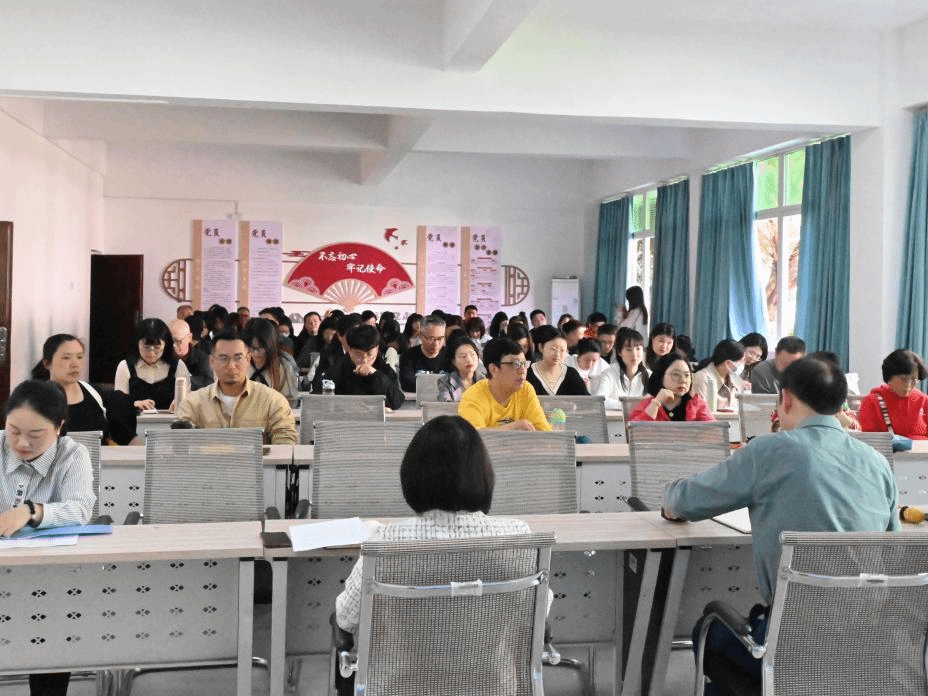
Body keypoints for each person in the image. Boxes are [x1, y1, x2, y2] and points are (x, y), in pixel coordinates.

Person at [662, 357, 898, 696]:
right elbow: (892, 549)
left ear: (785, 399)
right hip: (867, 644)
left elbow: (684, 501)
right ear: (840, 406)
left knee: (708, 631)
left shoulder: (771, 450)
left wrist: (669, 501)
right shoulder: (877, 463)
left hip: (792, 640)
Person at [334, 414, 533, 632]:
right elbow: (538, 608)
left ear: (412, 474)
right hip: (492, 655)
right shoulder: (518, 537)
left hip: (404, 656)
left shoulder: (386, 542)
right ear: (484, 474)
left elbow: (346, 618)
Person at [0, 379, 96, 696]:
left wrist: (31, 511)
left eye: (35, 434)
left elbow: (80, 509)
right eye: (14, 430)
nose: (21, 443)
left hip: (50, 579)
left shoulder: (72, 455)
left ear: (58, 428)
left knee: (53, 631)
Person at [174, 329, 298, 444]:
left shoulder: (272, 401)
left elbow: (286, 445)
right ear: (212, 362)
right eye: (224, 358)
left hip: (257, 462)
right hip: (208, 461)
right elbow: (180, 444)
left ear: (248, 359)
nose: (231, 366)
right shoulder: (193, 403)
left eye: (238, 358)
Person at [32, 334, 138, 445]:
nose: (75, 364)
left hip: (99, 457)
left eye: (79, 357)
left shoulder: (96, 394)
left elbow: (128, 438)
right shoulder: (33, 401)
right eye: (66, 357)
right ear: (47, 363)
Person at [458, 338, 551, 431]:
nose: (523, 370)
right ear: (493, 369)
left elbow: (544, 431)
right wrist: (513, 428)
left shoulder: (525, 389)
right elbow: (475, 436)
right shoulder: (473, 397)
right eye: (516, 364)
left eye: (524, 363)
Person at [114, 318, 191, 411]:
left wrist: (181, 403)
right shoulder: (125, 366)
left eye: (157, 348)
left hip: (169, 419)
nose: (151, 353)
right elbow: (118, 403)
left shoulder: (178, 366)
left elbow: (188, 400)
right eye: (146, 347)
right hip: (135, 419)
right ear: (137, 343)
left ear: (166, 345)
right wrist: (133, 404)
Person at [326, 324, 404, 409]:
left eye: (370, 354)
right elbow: (323, 400)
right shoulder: (337, 369)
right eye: (358, 354)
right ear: (349, 350)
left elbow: (396, 402)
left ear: (377, 349)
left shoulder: (385, 369)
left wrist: (375, 375)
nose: (365, 360)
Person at [859, 348, 928, 439]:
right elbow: (868, 440)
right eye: (903, 379)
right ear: (890, 375)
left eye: (914, 380)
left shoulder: (924, 401)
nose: (908, 385)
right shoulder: (872, 402)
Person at [628, 353, 713, 422]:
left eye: (687, 375)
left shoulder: (696, 404)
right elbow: (634, 431)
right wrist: (656, 403)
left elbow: (714, 431)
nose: (683, 380)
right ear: (661, 376)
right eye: (676, 374)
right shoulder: (647, 404)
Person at [243, 318, 299, 406]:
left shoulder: (283, 365)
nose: (256, 353)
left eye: (261, 348)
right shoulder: (240, 364)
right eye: (252, 348)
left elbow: (290, 400)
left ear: (270, 345)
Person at [594, 329, 649, 409]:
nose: (634, 354)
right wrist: (629, 406)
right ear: (619, 352)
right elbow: (599, 400)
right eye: (628, 349)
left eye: (638, 349)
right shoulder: (609, 373)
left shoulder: (650, 375)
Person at [526, 326, 588, 396]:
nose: (557, 354)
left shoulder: (571, 374)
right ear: (541, 347)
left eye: (562, 350)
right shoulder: (528, 374)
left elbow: (584, 400)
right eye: (553, 349)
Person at [691, 340, 746, 411]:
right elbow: (699, 411)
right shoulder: (703, 377)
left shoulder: (736, 380)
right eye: (742, 360)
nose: (744, 364)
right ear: (728, 363)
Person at [398, 315, 447, 392]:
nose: (436, 343)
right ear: (420, 336)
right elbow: (407, 384)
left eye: (440, 338)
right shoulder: (408, 356)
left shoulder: (451, 355)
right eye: (431, 338)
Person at [437, 336, 486, 402]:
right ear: (454, 361)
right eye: (463, 356)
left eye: (472, 355)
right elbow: (445, 404)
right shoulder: (446, 382)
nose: (469, 360)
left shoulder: (485, 379)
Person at [169, 318, 213, 390]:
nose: (174, 345)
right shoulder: (164, 356)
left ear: (189, 337)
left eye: (178, 341)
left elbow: (208, 382)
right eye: (170, 341)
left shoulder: (200, 356)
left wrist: (184, 379)